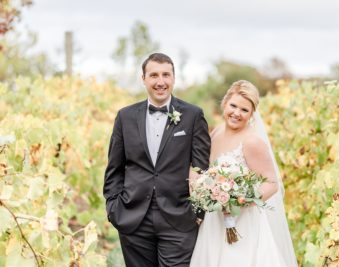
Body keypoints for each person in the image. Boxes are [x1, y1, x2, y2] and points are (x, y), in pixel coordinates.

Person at [103, 52, 211, 267]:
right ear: (143, 79)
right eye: (153, 75)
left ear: (173, 78)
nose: (160, 82)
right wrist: (114, 209)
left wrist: (197, 214)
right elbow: (114, 168)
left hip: (179, 219)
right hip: (133, 218)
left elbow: (201, 168)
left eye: (165, 75)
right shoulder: (125, 116)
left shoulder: (193, 115)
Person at [190, 80, 297, 267]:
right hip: (215, 221)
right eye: (233, 105)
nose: (236, 113)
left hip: (244, 222)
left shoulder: (252, 141)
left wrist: (240, 200)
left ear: (252, 114)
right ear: (225, 103)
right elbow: (209, 173)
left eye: (244, 110)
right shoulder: (216, 132)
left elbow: (272, 184)